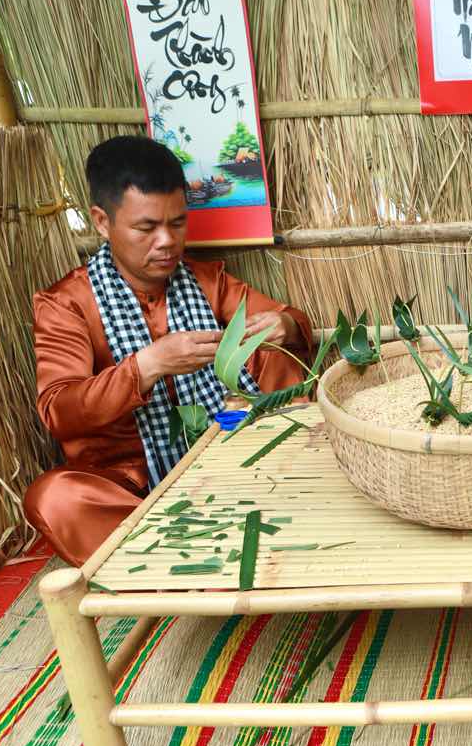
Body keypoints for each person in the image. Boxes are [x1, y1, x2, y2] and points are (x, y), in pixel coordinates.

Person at [24, 135, 313, 566]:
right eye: (146, 227)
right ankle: (190, 545)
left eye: (177, 223)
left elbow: (293, 324)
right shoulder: (67, 304)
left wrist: (284, 325)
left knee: (270, 358)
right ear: (102, 222)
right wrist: (147, 366)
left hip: (232, 456)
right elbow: (58, 410)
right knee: (53, 498)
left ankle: (230, 528)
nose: (166, 242)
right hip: (135, 491)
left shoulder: (204, 280)